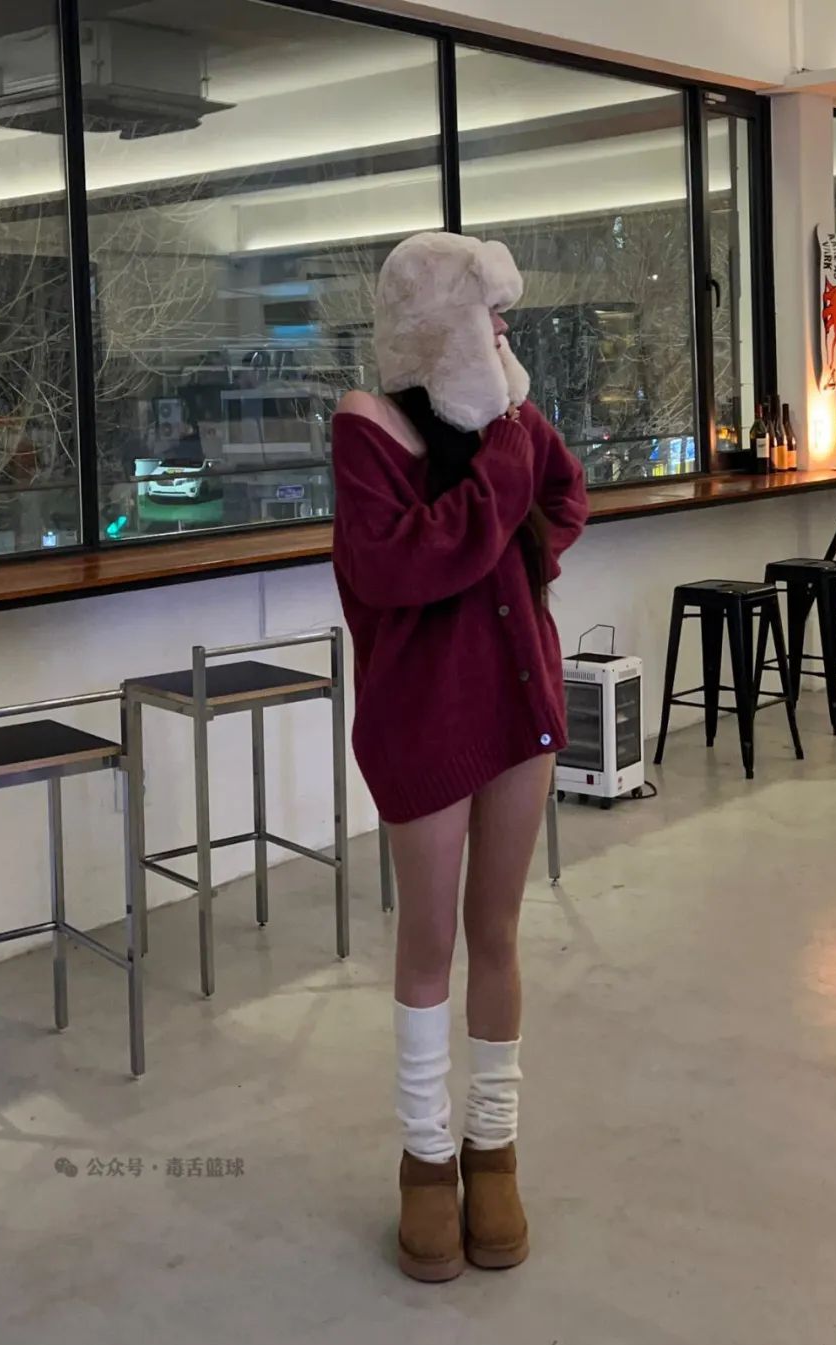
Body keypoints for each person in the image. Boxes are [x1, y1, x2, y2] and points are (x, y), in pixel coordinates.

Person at [331, 231, 589, 1282]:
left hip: (518, 699)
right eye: (487, 313)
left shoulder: (511, 422)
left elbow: (565, 499)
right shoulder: (369, 427)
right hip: (423, 718)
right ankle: (426, 1159)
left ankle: (494, 1149)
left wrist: (518, 548)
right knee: (429, 941)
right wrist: (500, 479)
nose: (503, 330)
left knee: (499, 932)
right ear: (439, 322)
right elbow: (400, 568)